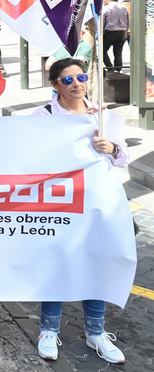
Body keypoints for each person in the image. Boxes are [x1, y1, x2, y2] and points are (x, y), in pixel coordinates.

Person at [32, 58, 129, 364]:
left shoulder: (102, 114)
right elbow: (27, 155)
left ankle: (96, 332)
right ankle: (48, 329)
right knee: (58, 260)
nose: (77, 84)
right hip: (59, 202)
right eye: (67, 80)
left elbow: (122, 157)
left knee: (95, 261)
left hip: (98, 202)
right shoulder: (43, 115)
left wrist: (110, 147)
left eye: (81, 77)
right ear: (54, 85)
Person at [102, 0, 130, 72]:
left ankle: (109, 67)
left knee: (102, 51)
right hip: (121, 32)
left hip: (109, 32)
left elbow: (103, 22)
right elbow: (127, 21)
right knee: (118, 53)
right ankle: (118, 69)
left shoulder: (106, 8)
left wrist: (100, 33)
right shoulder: (124, 8)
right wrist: (125, 31)